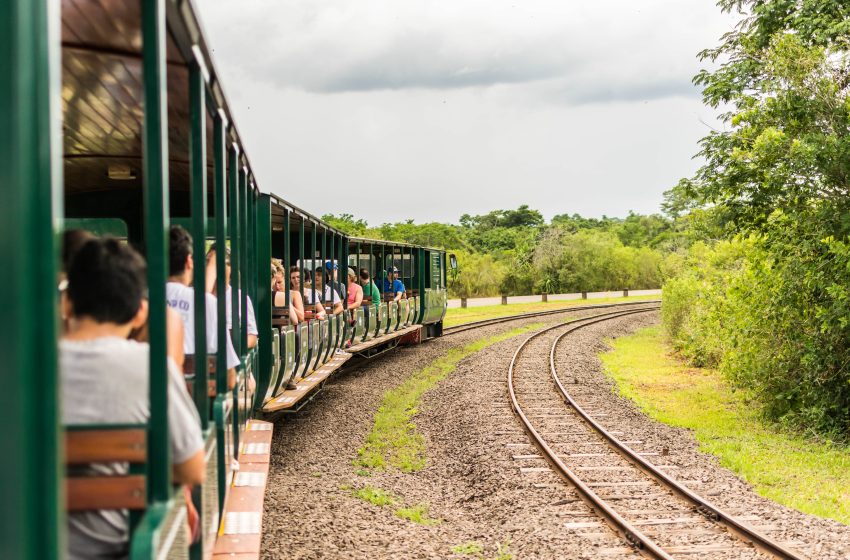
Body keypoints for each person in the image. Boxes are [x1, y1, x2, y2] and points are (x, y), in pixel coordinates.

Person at [60, 237, 205, 559]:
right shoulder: (152, 366)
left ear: (67, 303)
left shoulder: (22, 366)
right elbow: (193, 470)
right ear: (140, 313)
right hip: (118, 547)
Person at [166, 226, 238, 389]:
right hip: (195, 400)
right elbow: (230, 379)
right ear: (189, 261)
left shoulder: (140, 301)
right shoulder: (207, 302)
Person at [207, 244, 258, 349]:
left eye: (221, 262)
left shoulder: (240, 297)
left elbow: (252, 335)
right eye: (209, 261)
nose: (214, 266)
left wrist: (234, 349)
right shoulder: (194, 295)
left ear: (231, 268)